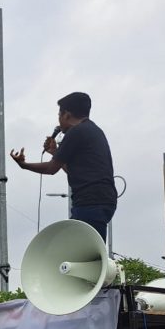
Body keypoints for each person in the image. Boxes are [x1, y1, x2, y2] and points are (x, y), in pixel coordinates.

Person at [10, 91, 116, 241]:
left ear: (66, 114)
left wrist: (24, 165)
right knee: (87, 249)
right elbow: (74, 170)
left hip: (88, 201)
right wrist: (55, 152)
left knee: (82, 253)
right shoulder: (95, 130)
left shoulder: (75, 132)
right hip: (103, 201)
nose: (59, 122)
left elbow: (51, 169)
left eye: (59, 116)